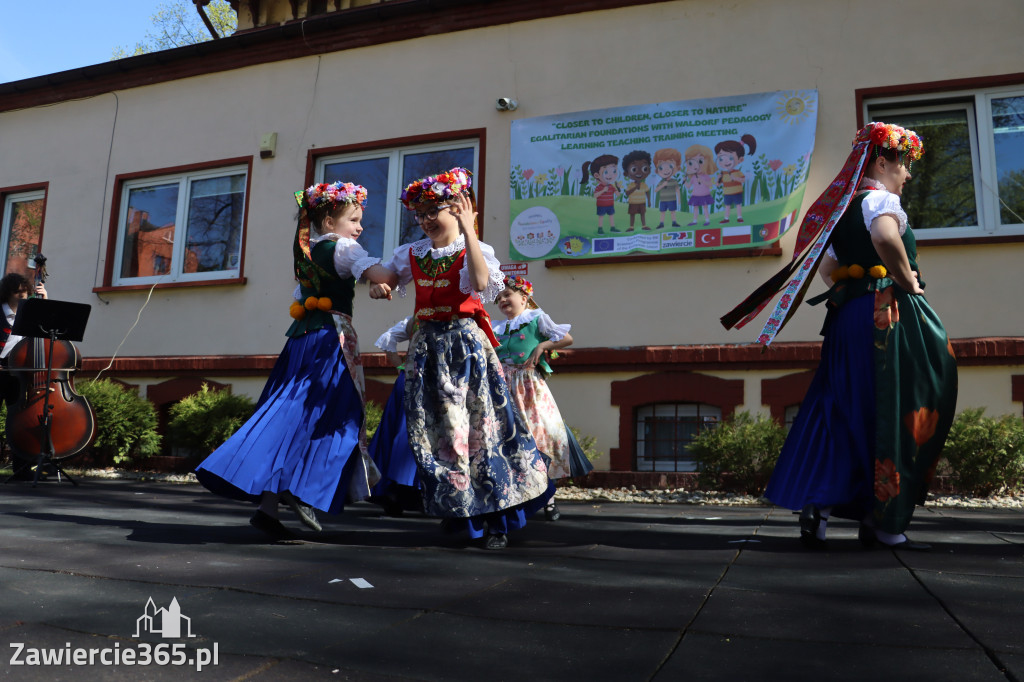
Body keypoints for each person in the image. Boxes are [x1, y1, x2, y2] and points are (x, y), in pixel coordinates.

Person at [722, 122, 957, 550]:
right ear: (881, 163)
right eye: (904, 165)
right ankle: (883, 523)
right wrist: (907, 279)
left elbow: (829, 270)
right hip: (883, 314)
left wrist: (858, 283)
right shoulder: (881, 201)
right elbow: (884, 236)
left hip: (847, 315)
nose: (908, 175)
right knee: (890, 403)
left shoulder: (842, 210)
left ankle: (821, 505)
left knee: (841, 404)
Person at [196, 181, 396, 540]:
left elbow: (336, 281)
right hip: (329, 341)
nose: (360, 227)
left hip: (302, 340)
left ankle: (268, 508)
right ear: (330, 222)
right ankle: (303, 489)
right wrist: (408, 266)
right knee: (338, 416)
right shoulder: (344, 247)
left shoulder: (307, 253)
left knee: (292, 414)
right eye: (353, 219)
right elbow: (381, 274)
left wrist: (369, 282)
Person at [369, 167, 552, 550]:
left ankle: (497, 519)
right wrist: (377, 283)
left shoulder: (475, 249)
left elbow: (483, 284)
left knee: (483, 430)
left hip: (466, 348)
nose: (425, 220)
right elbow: (386, 276)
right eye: (419, 214)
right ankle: (463, 510)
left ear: (457, 210)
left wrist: (470, 231)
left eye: (432, 211)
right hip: (428, 350)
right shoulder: (412, 253)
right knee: (442, 434)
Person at [492, 275, 593, 521]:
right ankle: (515, 498)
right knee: (508, 442)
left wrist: (542, 346)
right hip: (504, 389)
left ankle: (549, 499)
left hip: (529, 388)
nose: (502, 300)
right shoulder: (496, 327)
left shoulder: (536, 318)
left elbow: (566, 338)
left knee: (539, 439)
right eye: (498, 298)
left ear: (524, 298)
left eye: (507, 294)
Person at [366, 316, 421, 517]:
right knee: (408, 433)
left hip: (410, 379)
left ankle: (393, 490)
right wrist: (400, 367)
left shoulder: (414, 318)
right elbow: (387, 338)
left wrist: (402, 368)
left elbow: (387, 338)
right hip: (421, 382)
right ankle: (404, 490)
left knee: (400, 432)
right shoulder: (422, 319)